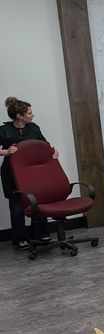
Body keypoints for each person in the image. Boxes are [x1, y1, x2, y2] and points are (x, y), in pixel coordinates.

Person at [1, 97, 59, 249]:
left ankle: (41, 233)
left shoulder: (33, 128)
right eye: (29, 113)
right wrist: (7, 151)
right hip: (12, 173)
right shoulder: (4, 130)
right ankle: (20, 238)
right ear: (19, 116)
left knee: (37, 201)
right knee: (16, 207)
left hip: (33, 174)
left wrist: (54, 151)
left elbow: (44, 145)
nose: (33, 115)